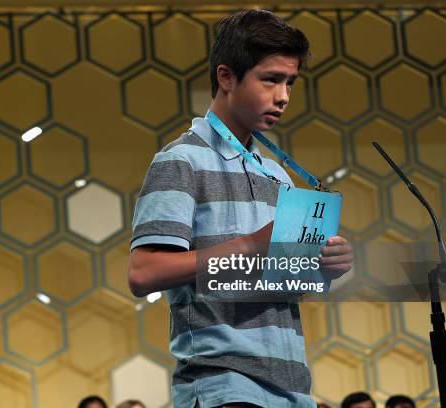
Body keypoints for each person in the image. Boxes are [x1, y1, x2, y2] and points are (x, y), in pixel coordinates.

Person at [129, 9, 353, 408]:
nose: (283, 95)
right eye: (270, 79)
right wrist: (251, 244)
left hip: (292, 385)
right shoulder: (181, 160)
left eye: (290, 82)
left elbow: (280, 284)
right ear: (226, 77)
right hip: (222, 384)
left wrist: (323, 267)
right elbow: (144, 273)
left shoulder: (277, 175)